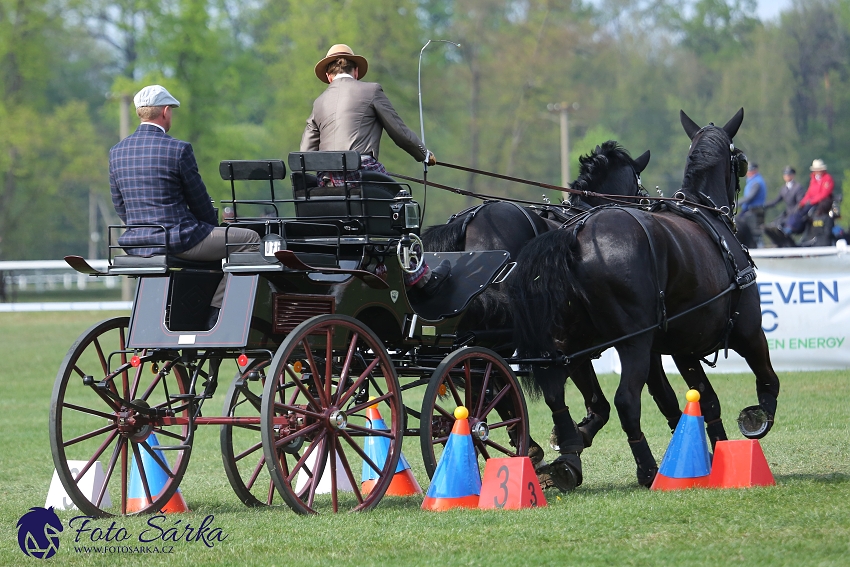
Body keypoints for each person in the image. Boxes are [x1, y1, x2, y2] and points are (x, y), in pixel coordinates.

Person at [301, 44, 449, 295]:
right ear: (356, 70)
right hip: (364, 183)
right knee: (405, 206)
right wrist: (424, 154)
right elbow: (399, 133)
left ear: (329, 75)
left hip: (328, 191)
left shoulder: (319, 103)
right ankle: (417, 275)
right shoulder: (371, 91)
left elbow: (305, 154)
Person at [110, 85, 260, 327]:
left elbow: (120, 205)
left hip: (138, 242)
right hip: (178, 240)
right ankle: (217, 311)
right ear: (165, 112)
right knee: (249, 239)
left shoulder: (117, 152)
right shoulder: (177, 149)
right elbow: (198, 201)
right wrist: (214, 226)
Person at [783, 159, 835, 235]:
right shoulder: (813, 179)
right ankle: (788, 226)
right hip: (812, 202)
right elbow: (809, 193)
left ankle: (791, 229)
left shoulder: (827, 179)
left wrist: (812, 201)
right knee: (797, 210)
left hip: (821, 202)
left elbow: (824, 194)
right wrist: (802, 203)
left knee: (804, 211)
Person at [737, 162, 767, 248]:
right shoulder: (752, 181)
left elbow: (749, 197)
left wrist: (736, 203)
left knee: (755, 234)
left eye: (751, 170)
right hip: (749, 211)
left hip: (754, 211)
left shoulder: (756, 182)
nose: (748, 172)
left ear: (755, 170)